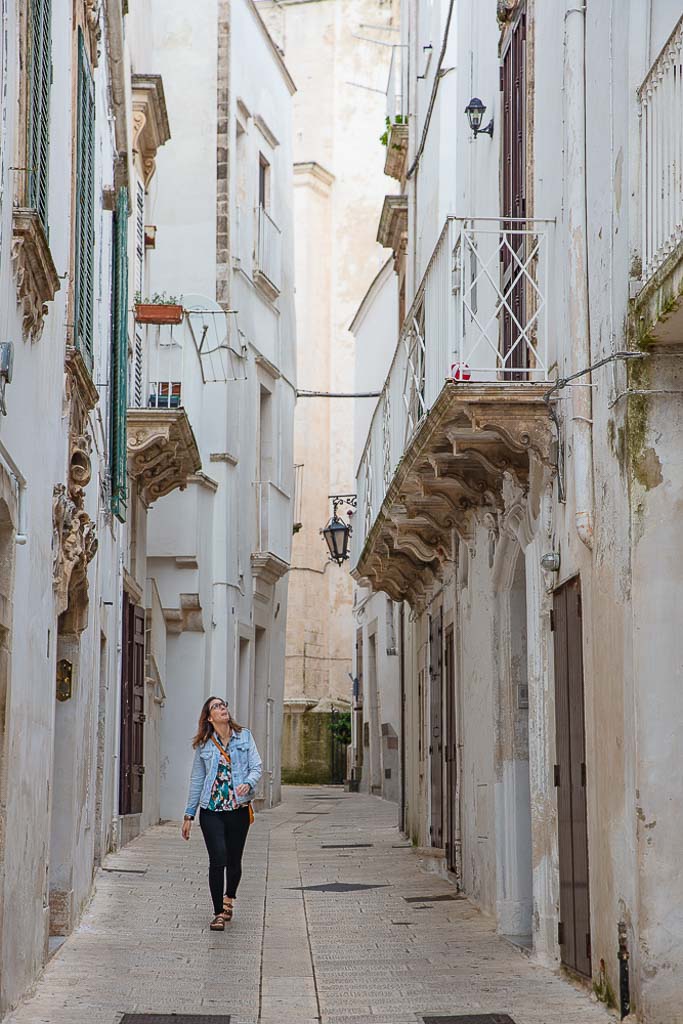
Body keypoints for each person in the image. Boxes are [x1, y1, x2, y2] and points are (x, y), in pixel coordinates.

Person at [182, 696, 262, 930]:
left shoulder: (244, 736)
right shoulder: (204, 745)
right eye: (216, 707)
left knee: (234, 860)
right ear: (209, 717)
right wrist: (189, 815)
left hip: (238, 810)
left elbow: (256, 766)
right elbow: (197, 780)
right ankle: (218, 912)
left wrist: (248, 783)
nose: (222, 708)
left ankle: (229, 898)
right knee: (218, 859)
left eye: (223, 705)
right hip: (211, 811)